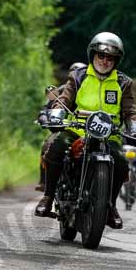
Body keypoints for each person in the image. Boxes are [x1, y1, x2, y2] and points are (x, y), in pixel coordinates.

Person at [35, 32, 136, 229]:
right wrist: (56, 114)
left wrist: (135, 127)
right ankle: (48, 196)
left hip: (107, 135)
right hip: (78, 130)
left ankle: (109, 206)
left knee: (120, 161)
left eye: (110, 58)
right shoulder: (79, 75)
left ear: (116, 61)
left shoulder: (123, 82)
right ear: (92, 55)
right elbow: (66, 98)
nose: (104, 61)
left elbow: (130, 110)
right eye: (101, 56)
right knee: (57, 144)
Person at [35, 62, 87, 192]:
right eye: (73, 71)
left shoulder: (91, 90)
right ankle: (44, 182)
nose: (76, 75)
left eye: (79, 72)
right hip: (64, 127)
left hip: (87, 130)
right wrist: (44, 117)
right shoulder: (63, 90)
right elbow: (47, 107)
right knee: (48, 145)